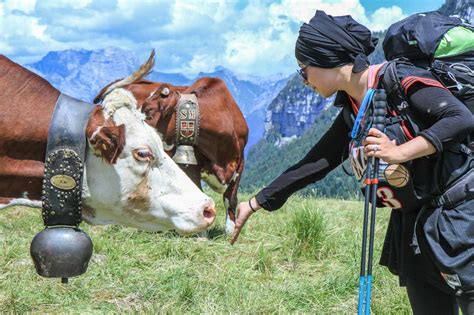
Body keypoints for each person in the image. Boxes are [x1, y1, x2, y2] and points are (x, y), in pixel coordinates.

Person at [230, 10, 474, 314]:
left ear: (326, 59)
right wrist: (256, 203)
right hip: (413, 227)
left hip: (460, 220)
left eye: (303, 70)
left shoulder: (399, 77)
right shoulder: (354, 110)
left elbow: (459, 118)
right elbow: (317, 162)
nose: (303, 80)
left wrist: (398, 152)